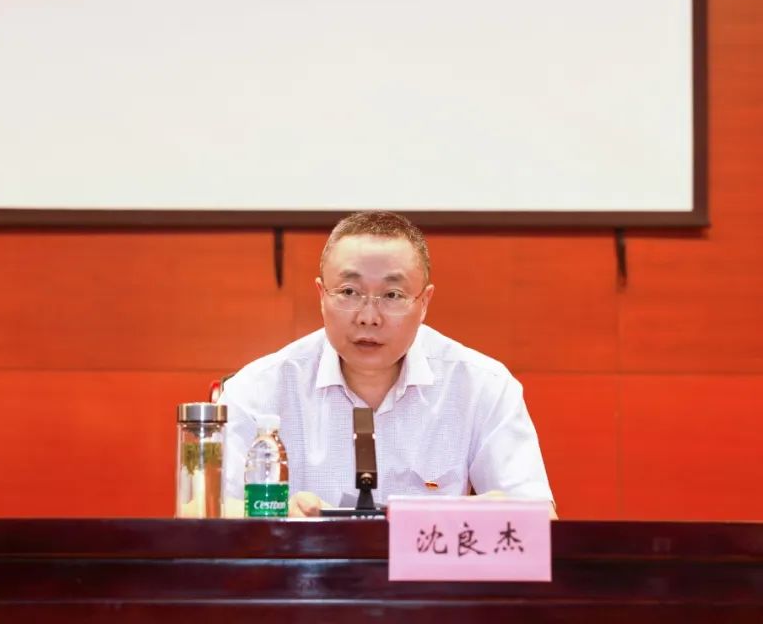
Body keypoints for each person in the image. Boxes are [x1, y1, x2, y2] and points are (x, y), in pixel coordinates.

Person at [219, 211, 555, 517]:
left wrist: (464, 514)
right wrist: (276, 517)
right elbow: (204, 512)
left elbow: (540, 522)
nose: (369, 317)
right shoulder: (257, 390)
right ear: (322, 295)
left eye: (393, 295)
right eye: (349, 292)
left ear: (424, 302)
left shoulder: (481, 386)